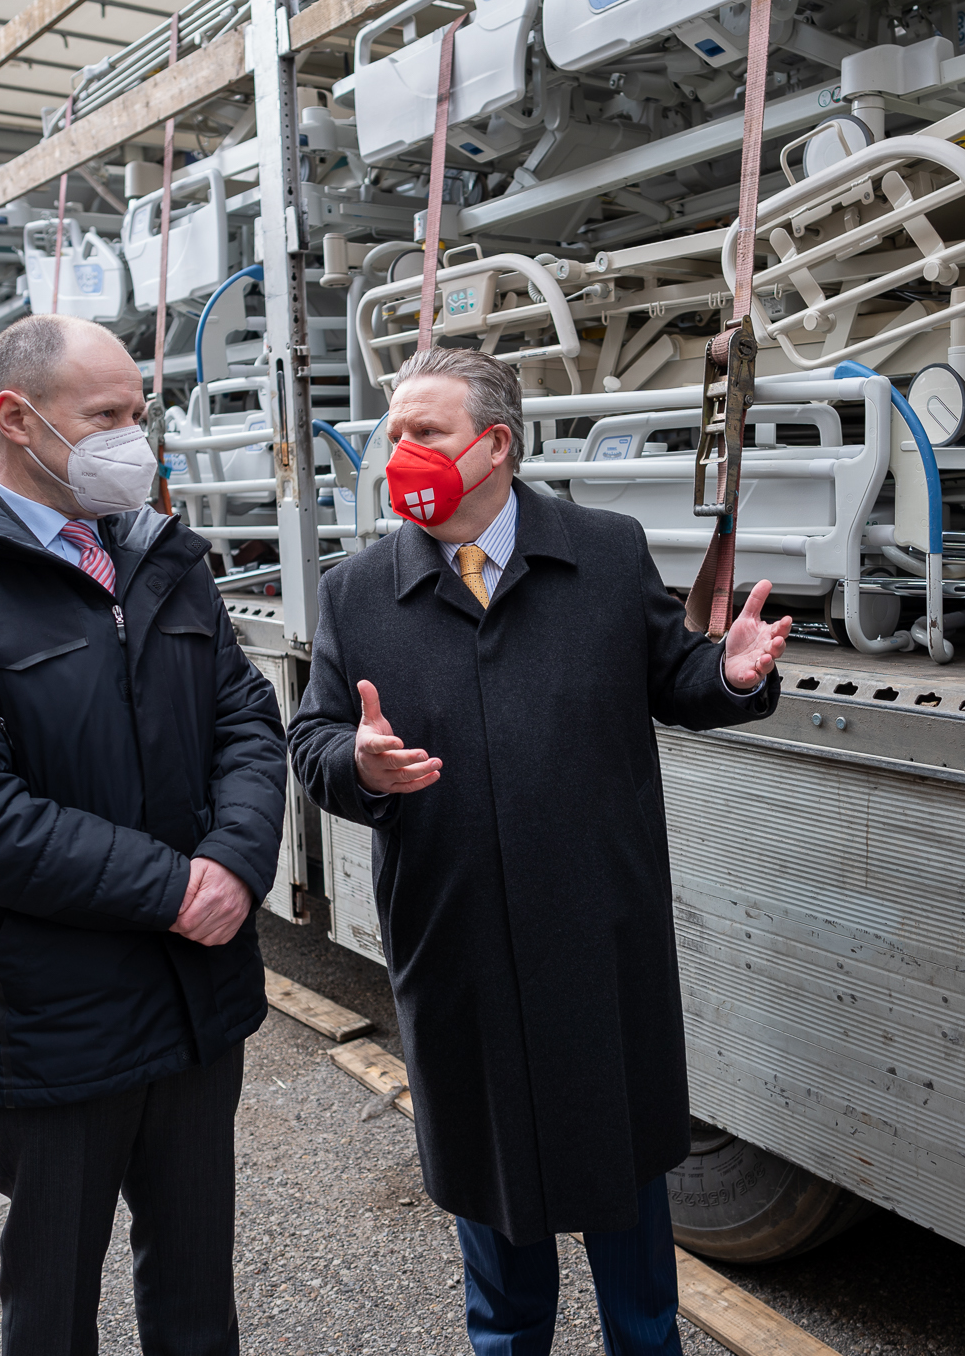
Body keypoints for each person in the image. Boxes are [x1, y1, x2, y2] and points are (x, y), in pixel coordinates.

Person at [287, 346, 791, 1355]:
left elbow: (677, 678)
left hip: (595, 941)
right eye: (393, 436)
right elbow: (313, 740)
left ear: (495, 447)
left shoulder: (602, 554)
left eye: (422, 435)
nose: (399, 456)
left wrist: (729, 674)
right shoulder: (358, 590)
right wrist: (360, 763)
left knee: (628, 1216)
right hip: (456, 939)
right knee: (493, 1194)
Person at [0, 314, 288, 1355]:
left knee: (195, 1290)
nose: (134, 440)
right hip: (54, 1016)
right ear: (15, 418)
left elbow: (244, 721)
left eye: (139, 415)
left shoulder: (159, 556)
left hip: (197, 1004)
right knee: (52, 1304)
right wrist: (176, 888)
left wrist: (233, 861)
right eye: (106, 417)